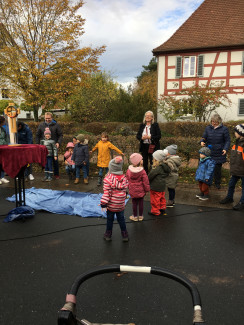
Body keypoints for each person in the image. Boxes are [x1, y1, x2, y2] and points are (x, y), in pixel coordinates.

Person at [100, 156, 129, 242]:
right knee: (121, 219)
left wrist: (103, 203)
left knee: (110, 220)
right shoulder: (124, 178)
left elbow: (107, 193)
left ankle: (108, 235)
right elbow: (125, 190)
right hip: (120, 205)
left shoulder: (108, 179)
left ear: (110, 168)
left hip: (111, 205)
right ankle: (125, 235)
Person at [200, 113, 230, 189]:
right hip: (209, 152)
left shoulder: (224, 129)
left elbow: (227, 141)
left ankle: (217, 183)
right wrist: (202, 141)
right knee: (208, 169)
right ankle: (208, 182)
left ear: (219, 121)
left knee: (217, 170)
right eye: (212, 121)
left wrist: (225, 148)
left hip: (219, 152)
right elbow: (204, 137)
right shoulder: (208, 128)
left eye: (215, 122)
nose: (213, 123)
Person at [220, 124, 244, 210]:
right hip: (236, 170)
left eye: (236, 132)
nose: (234, 133)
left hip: (242, 171)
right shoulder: (236, 142)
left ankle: (242, 202)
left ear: (241, 133)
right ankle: (229, 198)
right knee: (231, 184)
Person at [36, 112, 63, 179]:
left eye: (49, 118)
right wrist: (38, 144)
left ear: (52, 118)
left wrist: (58, 142)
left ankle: (56, 174)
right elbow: (37, 135)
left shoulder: (56, 125)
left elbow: (60, 135)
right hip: (44, 146)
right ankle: (47, 174)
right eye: (46, 118)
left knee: (55, 160)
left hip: (53, 145)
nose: (47, 120)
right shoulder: (41, 125)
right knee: (46, 161)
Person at [126, 153, 150, 222]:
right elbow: (146, 181)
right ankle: (141, 216)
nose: (142, 160)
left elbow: (127, 179)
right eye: (141, 159)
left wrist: (129, 187)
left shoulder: (129, 170)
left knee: (134, 203)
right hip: (141, 190)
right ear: (139, 162)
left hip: (132, 190)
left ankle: (135, 216)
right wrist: (147, 189)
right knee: (141, 203)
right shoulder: (142, 171)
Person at [148, 149, 171, 216]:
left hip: (155, 186)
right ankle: (162, 208)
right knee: (161, 197)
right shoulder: (165, 166)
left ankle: (155, 211)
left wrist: (147, 180)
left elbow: (150, 176)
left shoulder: (157, 168)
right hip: (162, 186)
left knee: (155, 200)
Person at [0, 115, 10, 185]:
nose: (4, 123)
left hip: (3, 148)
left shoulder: (2, 129)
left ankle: (2, 177)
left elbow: (6, 137)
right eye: (3, 122)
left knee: (2, 163)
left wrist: (7, 145)